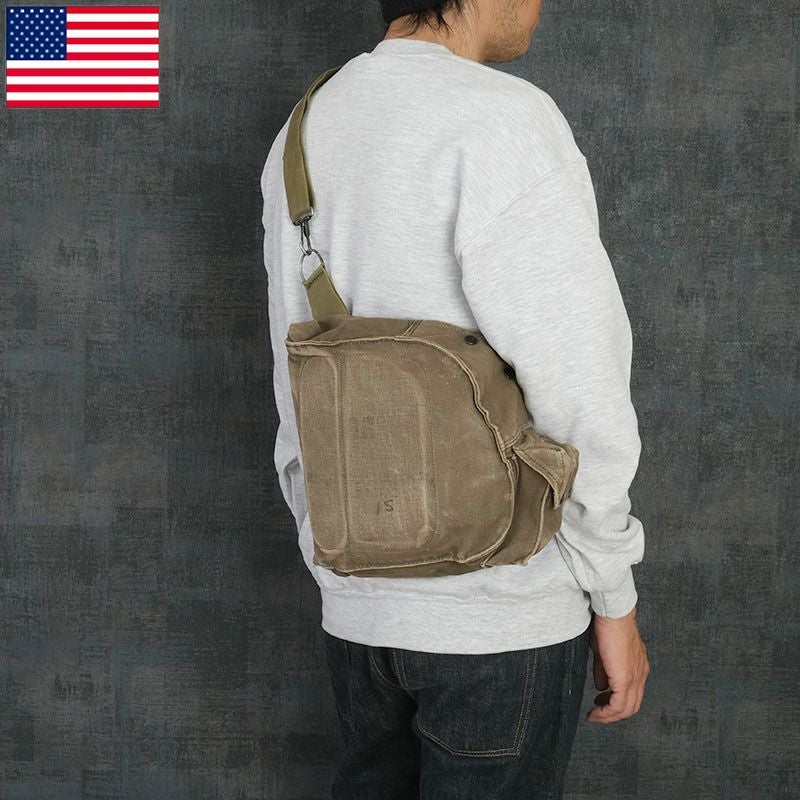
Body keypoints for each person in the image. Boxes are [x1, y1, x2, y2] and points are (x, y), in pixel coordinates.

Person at [260, 0, 650, 796]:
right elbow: (583, 385)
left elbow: (297, 375)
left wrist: (333, 560)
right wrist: (614, 594)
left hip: (357, 610)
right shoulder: (503, 119)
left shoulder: (305, 127)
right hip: (501, 615)